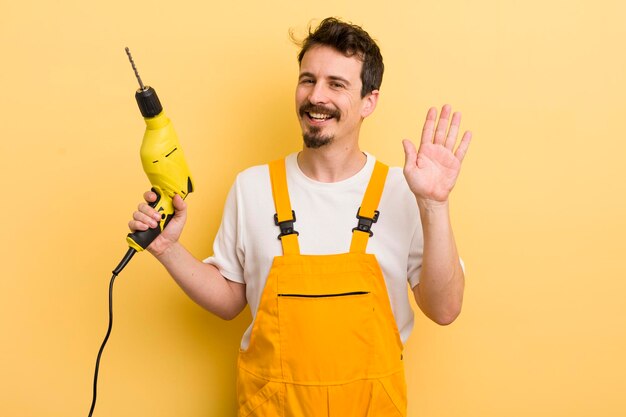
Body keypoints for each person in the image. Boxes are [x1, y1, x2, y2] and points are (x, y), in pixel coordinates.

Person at [129, 17, 471, 417]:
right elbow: (229, 301)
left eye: (336, 84)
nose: (316, 96)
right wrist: (168, 249)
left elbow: (444, 310)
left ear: (369, 101)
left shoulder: (405, 191)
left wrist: (435, 204)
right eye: (308, 80)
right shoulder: (252, 187)